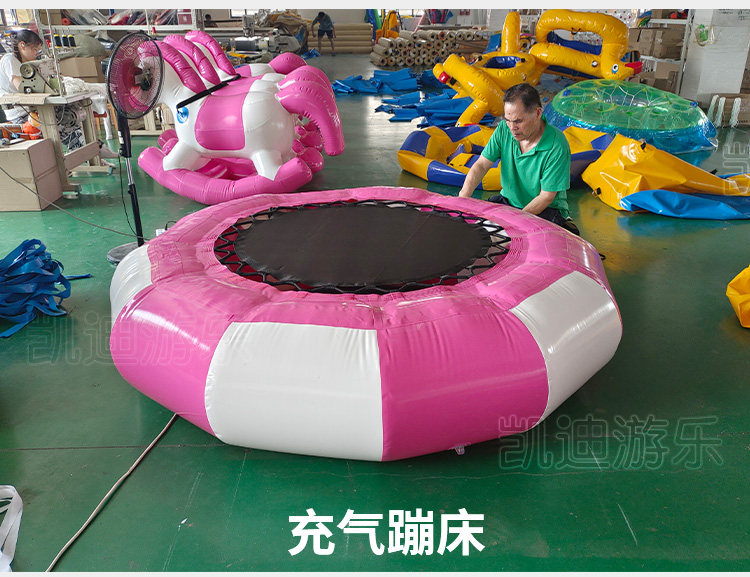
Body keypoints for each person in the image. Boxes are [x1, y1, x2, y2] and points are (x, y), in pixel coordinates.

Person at [458, 82, 579, 235]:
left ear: (538, 113)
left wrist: (514, 222)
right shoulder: (503, 130)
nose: (512, 127)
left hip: (546, 210)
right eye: (507, 120)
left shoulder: (556, 145)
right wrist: (463, 198)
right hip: (509, 203)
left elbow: (546, 197)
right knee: (472, 231)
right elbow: (481, 165)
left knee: (519, 241)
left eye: (518, 121)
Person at [0, 29, 43, 127]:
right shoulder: (10, 59)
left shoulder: (23, 63)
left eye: (38, 50)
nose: (36, 53)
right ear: (22, 45)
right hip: (19, 115)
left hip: (29, 111)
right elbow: (22, 88)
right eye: (34, 50)